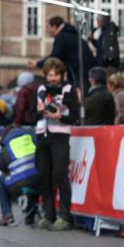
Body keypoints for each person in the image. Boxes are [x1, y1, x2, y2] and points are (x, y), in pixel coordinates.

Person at [34, 58, 80, 231]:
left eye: (56, 75)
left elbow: (74, 116)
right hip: (42, 135)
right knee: (44, 175)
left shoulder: (68, 90)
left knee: (59, 174)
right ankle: (49, 215)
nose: (53, 78)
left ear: (62, 75)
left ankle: (65, 217)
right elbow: (34, 115)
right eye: (50, 75)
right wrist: (39, 112)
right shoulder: (41, 90)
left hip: (60, 135)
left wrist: (59, 116)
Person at [27, 16, 96, 90]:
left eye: (48, 27)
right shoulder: (71, 34)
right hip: (86, 71)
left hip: (78, 73)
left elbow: (54, 58)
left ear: (54, 27)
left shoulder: (62, 37)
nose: (47, 30)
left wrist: (37, 63)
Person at [0, 125, 40, 227]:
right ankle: (30, 217)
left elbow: (3, 168)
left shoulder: (6, 146)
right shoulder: (32, 139)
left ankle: (7, 214)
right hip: (39, 184)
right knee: (33, 176)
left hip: (18, 185)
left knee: (2, 179)